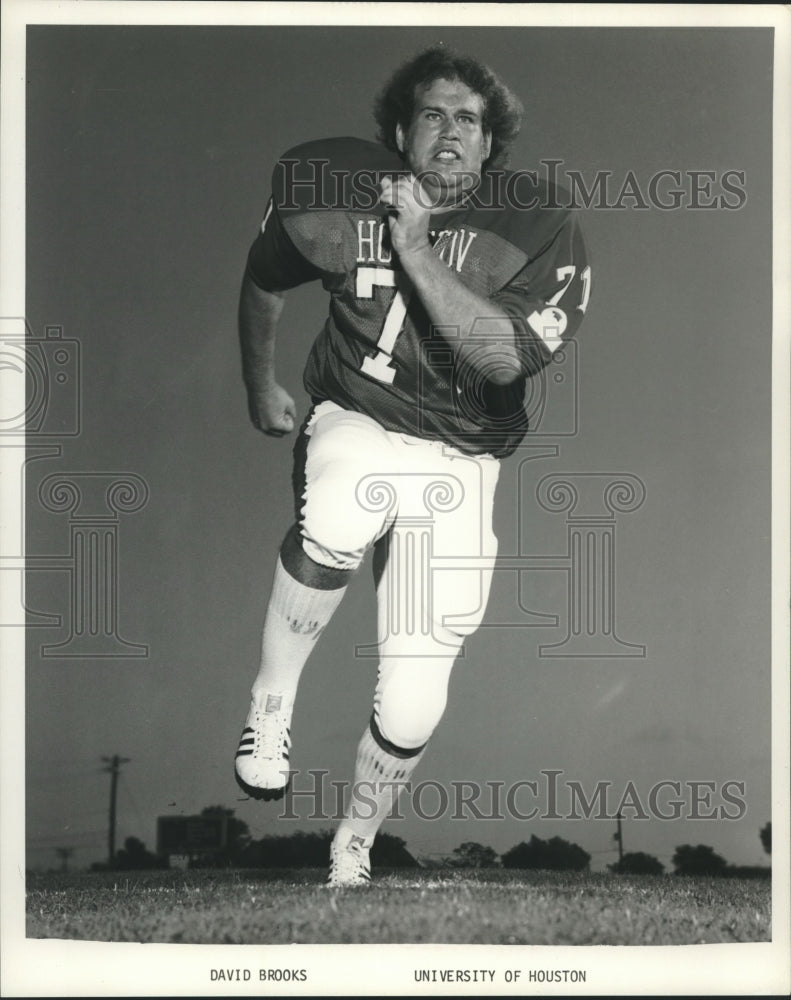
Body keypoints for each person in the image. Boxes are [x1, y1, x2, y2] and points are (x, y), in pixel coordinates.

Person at [234, 46, 590, 886]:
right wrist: (260, 387)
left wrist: (418, 248)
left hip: (461, 455)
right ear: (400, 131)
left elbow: (502, 361)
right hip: (358, 411)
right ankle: (271, 702)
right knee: (341, 504)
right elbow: (262, 280)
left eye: (468, 120)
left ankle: (353, 844)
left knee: (413, 690)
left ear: (488, 145)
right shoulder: (338, 193)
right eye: (432, 114)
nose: (449, 132)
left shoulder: (538, 223)